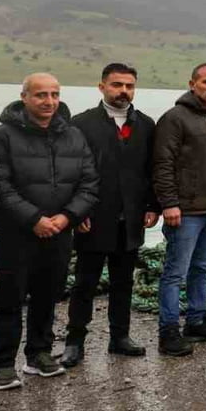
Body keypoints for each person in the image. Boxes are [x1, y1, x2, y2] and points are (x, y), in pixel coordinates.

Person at [0, 74, 97, 390]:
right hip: (17, 234)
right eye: (40, 95)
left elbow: (89, 184)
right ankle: (2, 364)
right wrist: (35, 219)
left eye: (54, 94)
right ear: (24, 97)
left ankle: (38, 355)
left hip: (60, 233)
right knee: (9, 300)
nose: (49, 101)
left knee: (47, 296)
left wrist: (67, 217)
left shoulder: (74, 136)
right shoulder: (1, 137)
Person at [61, 63, 158, 368]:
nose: (123, 91)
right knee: (84, 284)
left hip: (130, 219)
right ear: (101, 86)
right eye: (117, 85)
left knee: (123, 282)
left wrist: (152, 206)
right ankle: (74, 342)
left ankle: (120, 337)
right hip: (93, 217)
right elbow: (70, 173)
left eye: (129, 86)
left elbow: (151, 170)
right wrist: (76, 212)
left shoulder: (145, 125)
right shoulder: (81, 124)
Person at [153, 63, 206, 356]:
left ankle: (197, 320)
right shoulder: (174, 119)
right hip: (185, 211)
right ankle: (168, 332)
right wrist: (169, 204)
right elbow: (162, 165)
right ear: (192, 84)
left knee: (202, 268)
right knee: (176, 272)